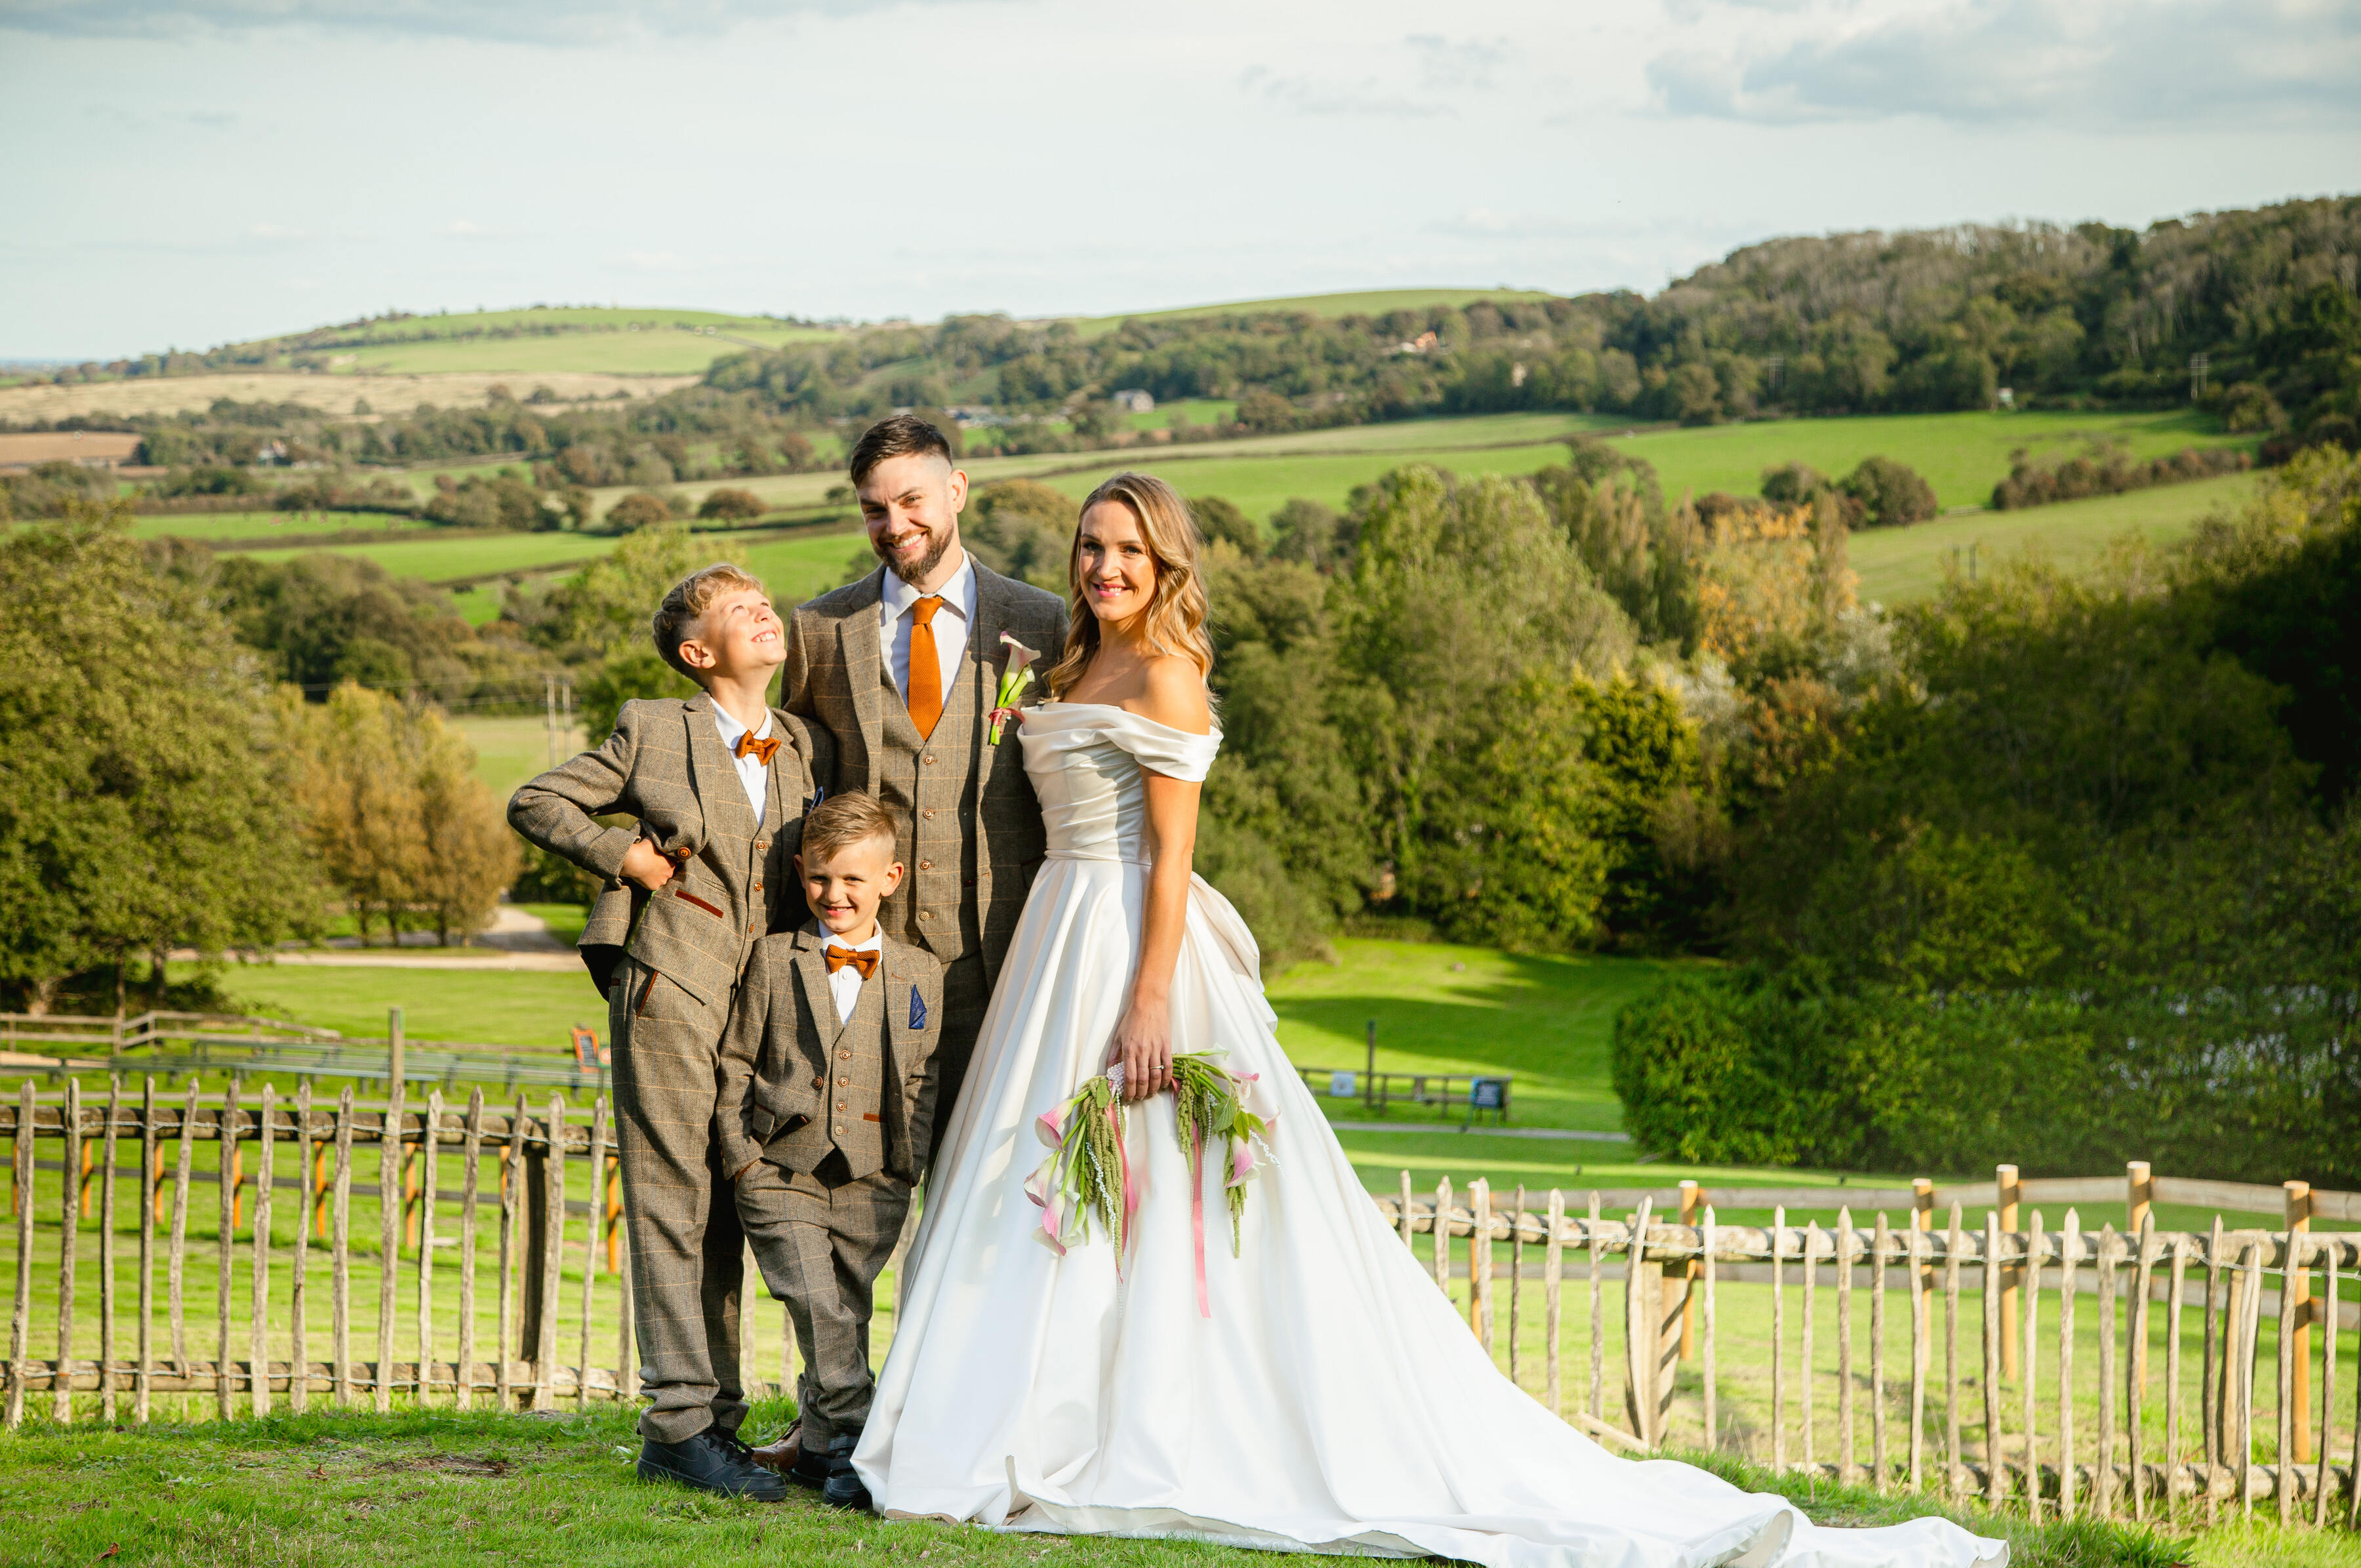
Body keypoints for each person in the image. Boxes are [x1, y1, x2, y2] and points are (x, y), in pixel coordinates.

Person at [852, 474, 2007, 1567]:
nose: (1105, 567)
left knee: (1158, 1189)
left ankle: (1140, 1420)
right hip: (1054, 940)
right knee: (1041, 1191)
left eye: (1129, 552)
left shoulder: (1167, 675)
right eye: (1092, 548)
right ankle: (1035, 1414)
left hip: (1125, 945)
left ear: (1168, 565)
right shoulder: (1070, 664)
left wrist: (1150, 1000)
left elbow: (1172, 856)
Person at [508, 563, 829, 1501]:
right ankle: (678, 1428)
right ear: (698, 653)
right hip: (670, 988)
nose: (764, 612)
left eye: (764, 601)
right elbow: (537, 800)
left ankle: (714, 1422)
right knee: (670, 1200)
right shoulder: (653, 727)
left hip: (763, 1007)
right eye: (739, 611)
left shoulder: (802, 742)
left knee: (732, 1200)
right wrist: (626, 857)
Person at [782, 414, 1066, 1173]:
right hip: (866, 966)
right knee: (859, 1187)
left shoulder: (1045, 622)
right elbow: (795, 792)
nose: (895, 524)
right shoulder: (819, 630)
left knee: (996, 1184)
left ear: (957, 490)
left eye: (912, 501)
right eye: (875, 509)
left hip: (1006, 961)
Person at [712, 792, 945, 1512]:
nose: (834, 893)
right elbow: (736, 1061)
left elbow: (923, 1076)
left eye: (851, 879)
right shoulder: (773, 958)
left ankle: (819, 1450)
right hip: (779, 1165)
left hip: (876, 1175)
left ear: (891, 879)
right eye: (819, 877)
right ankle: (857, 1439)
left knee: (845, 1306)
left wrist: (906, 1163)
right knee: (814, 1299)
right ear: (800, 873)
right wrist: (743, 1157)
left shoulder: (922, 973)